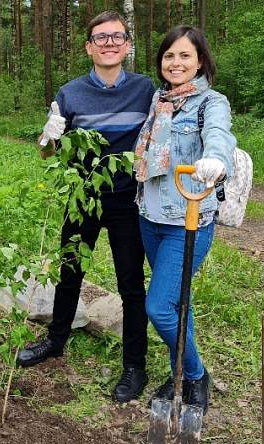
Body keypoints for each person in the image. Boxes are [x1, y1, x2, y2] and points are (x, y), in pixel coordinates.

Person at [16, 11, 155, 404]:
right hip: (83, 199)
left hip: (129, 200)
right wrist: (49, 136)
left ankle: (135, 365)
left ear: (128, 45)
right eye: (101, 37)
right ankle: (56, 340)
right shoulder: (70, 93)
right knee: (70, 271)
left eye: (117, 37)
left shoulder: (147, 90)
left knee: (131, 284)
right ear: (88, 47)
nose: (109, 43)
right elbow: (46, 153)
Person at [134, 26, 236, 414]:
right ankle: (181, 366)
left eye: (184, 56)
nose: (175, 63)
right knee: (177, 302)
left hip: (188, 221)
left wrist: (216, 160)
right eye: (169, 56)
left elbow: (219, 136)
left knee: (159, 306)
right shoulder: (158, 101)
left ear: (200, 61)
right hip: (150, 217)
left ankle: (194, 375)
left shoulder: (212, 102)